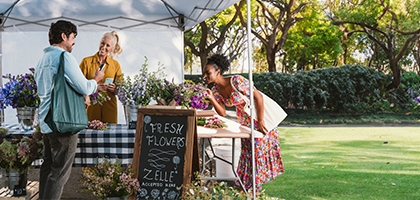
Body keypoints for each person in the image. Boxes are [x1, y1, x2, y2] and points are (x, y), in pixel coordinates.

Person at [35, 20, 104, 200]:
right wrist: (96, 80)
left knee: (48, 169)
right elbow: (84, 86)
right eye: (73, 37)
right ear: (64, 36)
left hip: (47, 122)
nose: (74, 42)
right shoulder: (63, 57)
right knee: (59, 173)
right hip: (63, 123)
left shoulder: (42, 59)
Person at [202, 54, 284, 194]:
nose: (204, 76)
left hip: (259, 120)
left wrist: (261, 121)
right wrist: (211, 99)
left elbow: (258, 97)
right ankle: (246, 188)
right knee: (247, 154)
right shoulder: (215, 90)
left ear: (218, 72)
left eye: (208, 73)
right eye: (204, 73)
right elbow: (221, 112)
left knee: (257, 155)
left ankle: (255, 191)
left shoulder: (237, 81)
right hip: (245, 123)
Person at [79, 31, 123, 123]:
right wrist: (95, 87)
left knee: (110, 135)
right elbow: (79, 84)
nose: (103, 47)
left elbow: (121, 90)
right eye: (102, 43)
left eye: (108, 45)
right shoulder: (86, 62)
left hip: (109, 107)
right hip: (91, 108)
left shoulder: (115, 65)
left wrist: (114, 89)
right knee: (89, 133)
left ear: (112, 48)